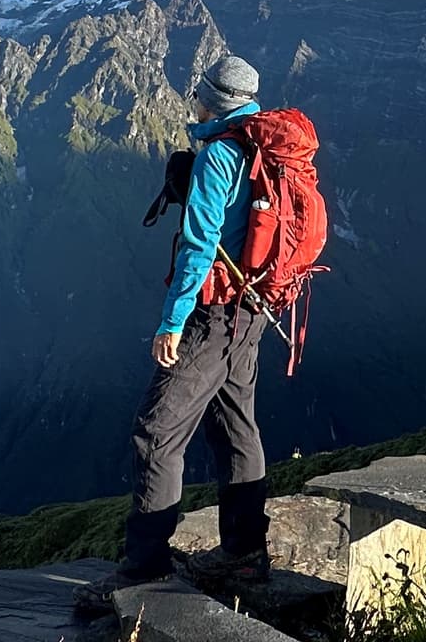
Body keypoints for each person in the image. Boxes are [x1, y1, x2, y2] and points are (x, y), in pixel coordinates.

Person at [96, 53, 274, 596]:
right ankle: (245, 553)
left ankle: (145, 567)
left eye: (199, 90)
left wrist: (172, 323)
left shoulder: (220, 156)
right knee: (235, 426)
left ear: (213, 100)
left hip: (214, 314)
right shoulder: (262, 146)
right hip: (254, 311)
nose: (192, 97)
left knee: (156, 434)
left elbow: (199, 248)